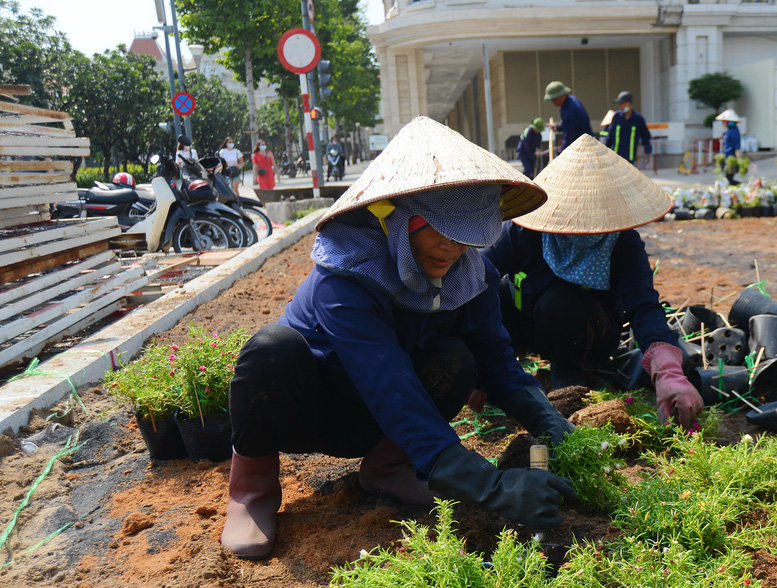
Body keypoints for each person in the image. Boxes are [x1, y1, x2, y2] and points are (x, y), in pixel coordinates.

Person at [221, 116, 577, 559]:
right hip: (318, 407)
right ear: (397, 216)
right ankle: (251, 489)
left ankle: (388, 466)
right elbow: (388, 386)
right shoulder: (348, 276)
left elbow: (496, 359)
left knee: (457, 359)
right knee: (270, 350)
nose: (452, 248)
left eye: (466, 238)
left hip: (389, 426)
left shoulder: (470, 275)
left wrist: (547, 421)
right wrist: (492, 485)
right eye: (440, 230)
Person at [482, 135, 705, 429]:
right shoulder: (527, 231)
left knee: (562, 302)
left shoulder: (622, 242)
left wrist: (668, 373)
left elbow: (644, 307)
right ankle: (501, 369)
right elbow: (481, 273)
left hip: (586, 334)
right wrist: (482, 356)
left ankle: (568, 383)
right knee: (490, 289)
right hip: (530, 324)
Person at [544, 81, 593, 154]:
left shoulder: (568, 112)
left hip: (582, 148)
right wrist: (558, 127)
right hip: (589, 141)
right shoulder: (573, 100)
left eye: (554, 99)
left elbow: (568, 139)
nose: (553, 102)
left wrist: (558, 158)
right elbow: (573, 124)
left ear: (562, 95)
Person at [604, 91, 652, 166]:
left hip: (630, 160)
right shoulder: (616, 117)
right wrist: (605, 152)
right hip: (616, 158)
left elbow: (646, 137)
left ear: (628, 103)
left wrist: (647, 152)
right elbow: (609, 137)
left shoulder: (638, 119)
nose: (620, 106)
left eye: (621, 104)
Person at [716, 108, 742, 185]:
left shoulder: (734, 131)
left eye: (724, 121)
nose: (722, 123)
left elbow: (736, 144)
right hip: (727, 154)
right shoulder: (729, 130)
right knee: (727, 175)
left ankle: (735, 185)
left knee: (729, 175)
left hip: (731, 155)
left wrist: (738, 155)